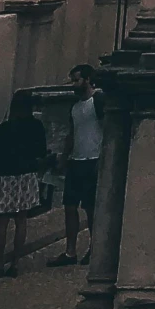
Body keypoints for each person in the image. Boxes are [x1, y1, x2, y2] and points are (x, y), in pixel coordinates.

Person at [0, 90, 49, 277]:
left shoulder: (5, 127)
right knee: (21, 220)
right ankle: (16, 262)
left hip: (3, 175)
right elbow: (41, 151)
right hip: (25, 175)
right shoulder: (36, 126)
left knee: (2, 222)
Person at [52, 64, 102, 267]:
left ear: (88, 79)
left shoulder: (98, 101)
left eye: (77, 79)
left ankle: (95, 247)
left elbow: (108, 130)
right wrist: (64, 159)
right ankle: (70, 251)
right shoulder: (74, 107)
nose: (74, 84)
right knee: (70, 207)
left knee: (91, 208)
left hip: (93, 160)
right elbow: (71, 134)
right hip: (76, 161)